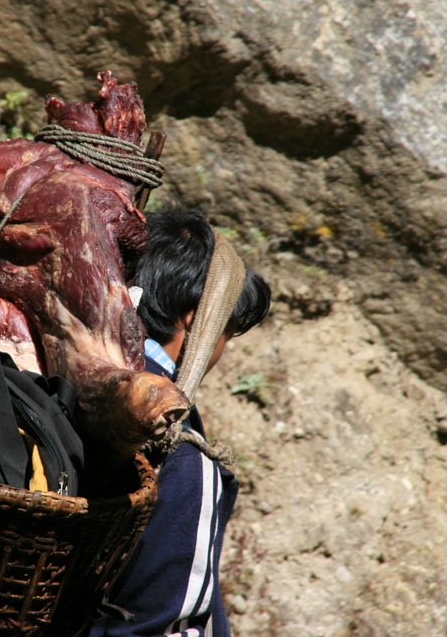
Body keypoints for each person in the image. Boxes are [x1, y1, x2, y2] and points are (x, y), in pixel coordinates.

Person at [89, 207, 271, 636]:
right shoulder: (184, 458)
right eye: (226, 331)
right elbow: (167, 624)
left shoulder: (62, 383)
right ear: (194, 317)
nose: (221, 351)